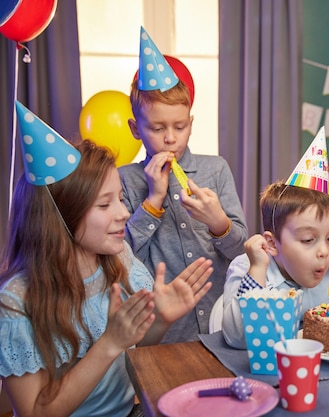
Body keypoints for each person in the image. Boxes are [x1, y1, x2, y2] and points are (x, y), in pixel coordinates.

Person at [0, 103, 214, 417]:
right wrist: (109, 342)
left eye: (120, 199)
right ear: (60, 217)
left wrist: (162, 320)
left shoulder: (119, 260)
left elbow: (136, 352)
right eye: (104, 204)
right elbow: (34, 412)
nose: (124, 213)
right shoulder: (16, 304)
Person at [119, 27, 247, 343]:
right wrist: (152, 201)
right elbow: (119, 258)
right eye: (157, 127)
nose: (170, 138)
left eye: (179, 126)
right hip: (161, 332)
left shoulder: (215, 169)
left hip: (220, 324)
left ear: (191, 123)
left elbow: (241, 252)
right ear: (136, 128)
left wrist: (218, 222)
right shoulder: (124, 180)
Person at [222, 128, 329, 349]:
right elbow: (237, 338)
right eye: (308, 239)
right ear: (273, 244)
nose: (324, 251)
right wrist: (256, 272)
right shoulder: (248, 268)